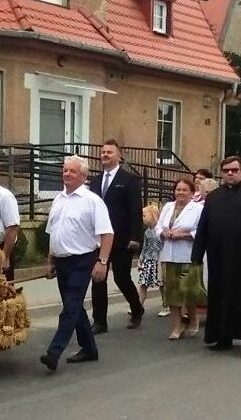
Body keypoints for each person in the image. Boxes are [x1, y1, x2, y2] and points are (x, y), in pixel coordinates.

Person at [192, 156, 241, 358]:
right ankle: (223, 336)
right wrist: (197, 253)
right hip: (219, 256)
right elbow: (204, 226)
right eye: (226, 170)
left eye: (234, 170)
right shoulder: (214, 196)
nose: (230, 173)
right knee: (221, 296)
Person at [40, 155, 113, 372]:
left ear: (83, 175)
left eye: (71, 171)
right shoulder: (58, 199)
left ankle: (54, 353)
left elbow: (107, 234)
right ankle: (89, 349)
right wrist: (50, 261)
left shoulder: (92, 201)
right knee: (75, 308)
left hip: (83, 261)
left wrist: (102, 262)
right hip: (62, 261)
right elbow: (52, 233)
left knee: (70, 307)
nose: (66, 174)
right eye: (65, 170)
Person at [89, 140, 144, 333]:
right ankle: (99, 321)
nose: (105, 155)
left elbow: (135, 211)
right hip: (99, 239)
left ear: (119, 156)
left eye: (109, 152)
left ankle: (137, 308)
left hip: (122, 239)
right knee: (98, 278)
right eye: (103, 152)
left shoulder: (129, 180)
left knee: (122, 278)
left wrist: (135, 237)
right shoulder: (95, 181)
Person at [157, 179, 206, 339]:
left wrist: (183, 235)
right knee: (172, 293)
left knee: (188, 291)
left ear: (192, 193)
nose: (180, 193)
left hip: (188, 255)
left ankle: (193, 318)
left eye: (184, 190)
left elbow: (202, 231)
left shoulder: (198, 209)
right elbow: (158, 226)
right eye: (178, 189)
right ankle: (177, 326)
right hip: (169, 255)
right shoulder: (168, 207)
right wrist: (163, 233)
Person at [0, 181, 20, 280]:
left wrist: (5, 256)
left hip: (0, 248)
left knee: (1, 290)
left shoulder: (4, 196)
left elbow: (12, 227)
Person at [137, 205, 164, 315]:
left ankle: (166, 305)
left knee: (162, 284)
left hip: (157, 260)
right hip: (148, 261)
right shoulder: (147, 232)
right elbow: (145, 247)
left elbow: (161, 246)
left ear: (152, 215)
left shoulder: (159, 231)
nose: (142, 218)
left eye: (144, 215)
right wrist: (141, 259)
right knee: (143, 284)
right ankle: (138, 306)